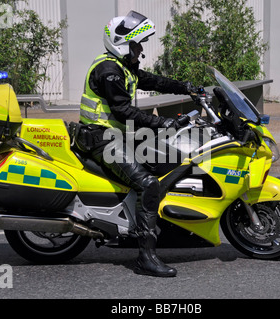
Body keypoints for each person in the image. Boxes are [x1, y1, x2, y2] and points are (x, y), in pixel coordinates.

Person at [79, 11, 194, 277]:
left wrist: (187, 87)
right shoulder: (109, 70)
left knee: (168, 158)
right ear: (123, 44)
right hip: (101, 138)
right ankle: (146, 256)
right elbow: (123, 112)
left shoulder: (122, 67)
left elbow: (152, 80)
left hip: (116, 134)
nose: (140, 50)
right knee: (147, 183)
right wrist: (161, 123)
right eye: (136, 44)